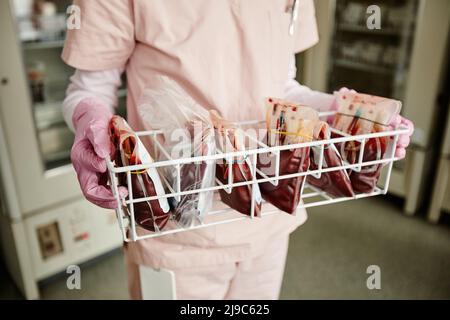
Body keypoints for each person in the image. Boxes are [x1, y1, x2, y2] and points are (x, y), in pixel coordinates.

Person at [62, 0, 414, 299]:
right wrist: (87, 118)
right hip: (177, 227)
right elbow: (91, 84)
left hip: (269, 212)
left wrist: (345, 116)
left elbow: (281, 87)